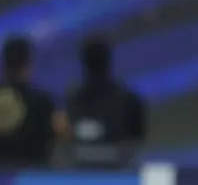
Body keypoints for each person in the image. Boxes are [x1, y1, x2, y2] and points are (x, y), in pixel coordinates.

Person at [65, 36, 146, 168]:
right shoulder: (129, 99)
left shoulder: (72, 100)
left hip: (84, 174)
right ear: (109, 61)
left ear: (84, 63)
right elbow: (137, 138)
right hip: (116, 174)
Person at [0, 36, 61, 167]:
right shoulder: (42, 101)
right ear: (28, 64)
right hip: (33, 176)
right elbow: (52, 142)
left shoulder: (42, 101)